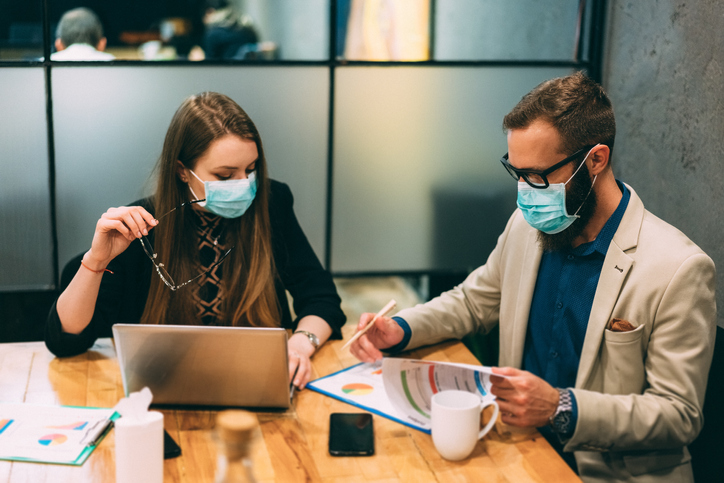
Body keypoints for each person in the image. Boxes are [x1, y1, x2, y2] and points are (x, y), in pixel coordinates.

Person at [349, 72, 716, 482]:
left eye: (538, 176)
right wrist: (399, 329)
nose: (525, 191)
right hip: (519, 448)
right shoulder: (529, 227)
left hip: (607, 471)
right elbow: (474, 301)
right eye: (517, 172)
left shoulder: (677, 269)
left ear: (596, 160)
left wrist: (561, 406)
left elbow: (679, 415)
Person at [45, 92, 345, 389]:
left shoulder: (271, 202)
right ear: (182, 172)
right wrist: (97, 260)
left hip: (256, 384)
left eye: (251, 170)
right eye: (225, 176)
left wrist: (301, 344)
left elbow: (321, 298)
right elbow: (66, 340)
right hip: (159, 388)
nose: (243, 185)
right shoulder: (141, 227)